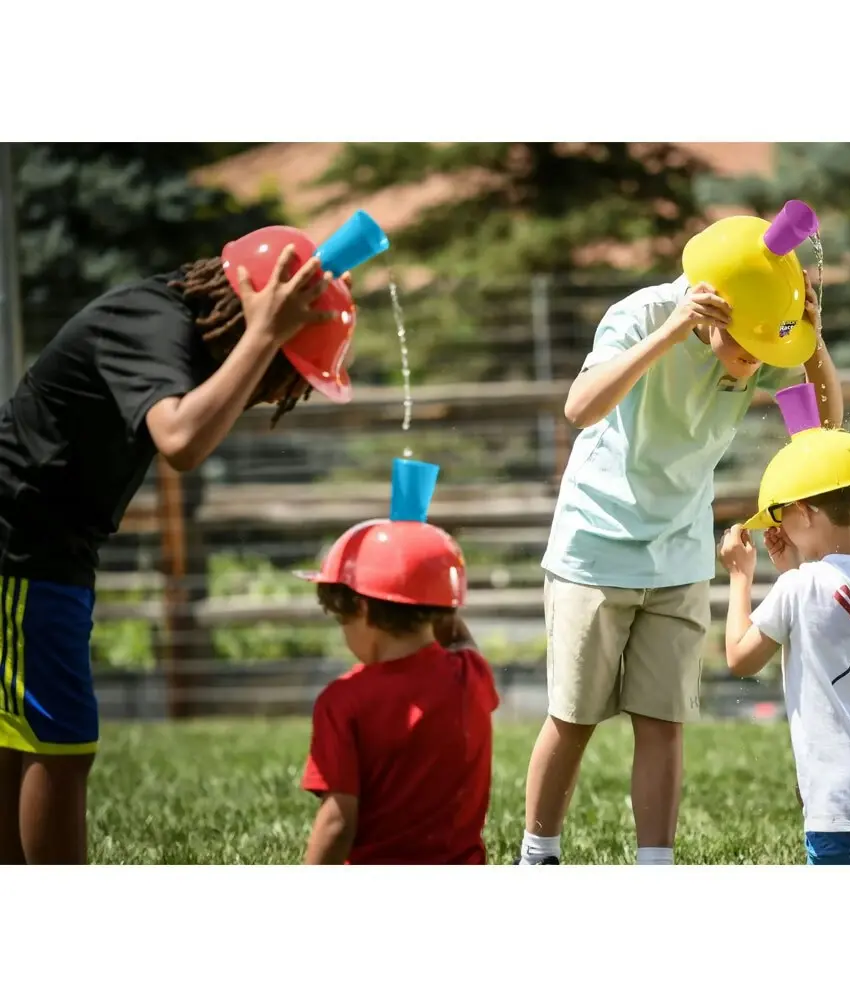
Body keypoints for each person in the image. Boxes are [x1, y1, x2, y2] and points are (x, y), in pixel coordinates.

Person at [0, 241, 347, 864]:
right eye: (288, 374)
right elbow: (181, 439)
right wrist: (265, 336)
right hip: (20, 543)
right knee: (59, 742)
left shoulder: (167, 328)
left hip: (45, 545)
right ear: (250, 317)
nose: (275, 395)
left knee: (20, 739)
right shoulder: (151, 322)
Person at [516, 228, 845, 865]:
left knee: (664, 720)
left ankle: (655, 867)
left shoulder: (761, 330)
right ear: (714, 308)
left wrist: (810, 339)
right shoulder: (638, 315)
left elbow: (827, 430)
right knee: (574, 717)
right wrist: (670, 332)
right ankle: (537, 855)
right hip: (596, 545)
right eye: (746, 349)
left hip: (680, 553)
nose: (754, 365)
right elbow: (579, 407)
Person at [718, 393, 850, 865]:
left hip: (844, 794)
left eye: (779, 515)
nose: (777, 525)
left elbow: (739, 657)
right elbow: (828, 627)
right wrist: (791, 569)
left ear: (805, 512)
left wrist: (741, 576)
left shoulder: (800, 587)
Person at [297, 514, 499, 865]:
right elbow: (459, 637)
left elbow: (337, 820)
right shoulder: (471, 676)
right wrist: (428, 581)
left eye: (340, 618)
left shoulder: (343, 701)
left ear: (360, 607)